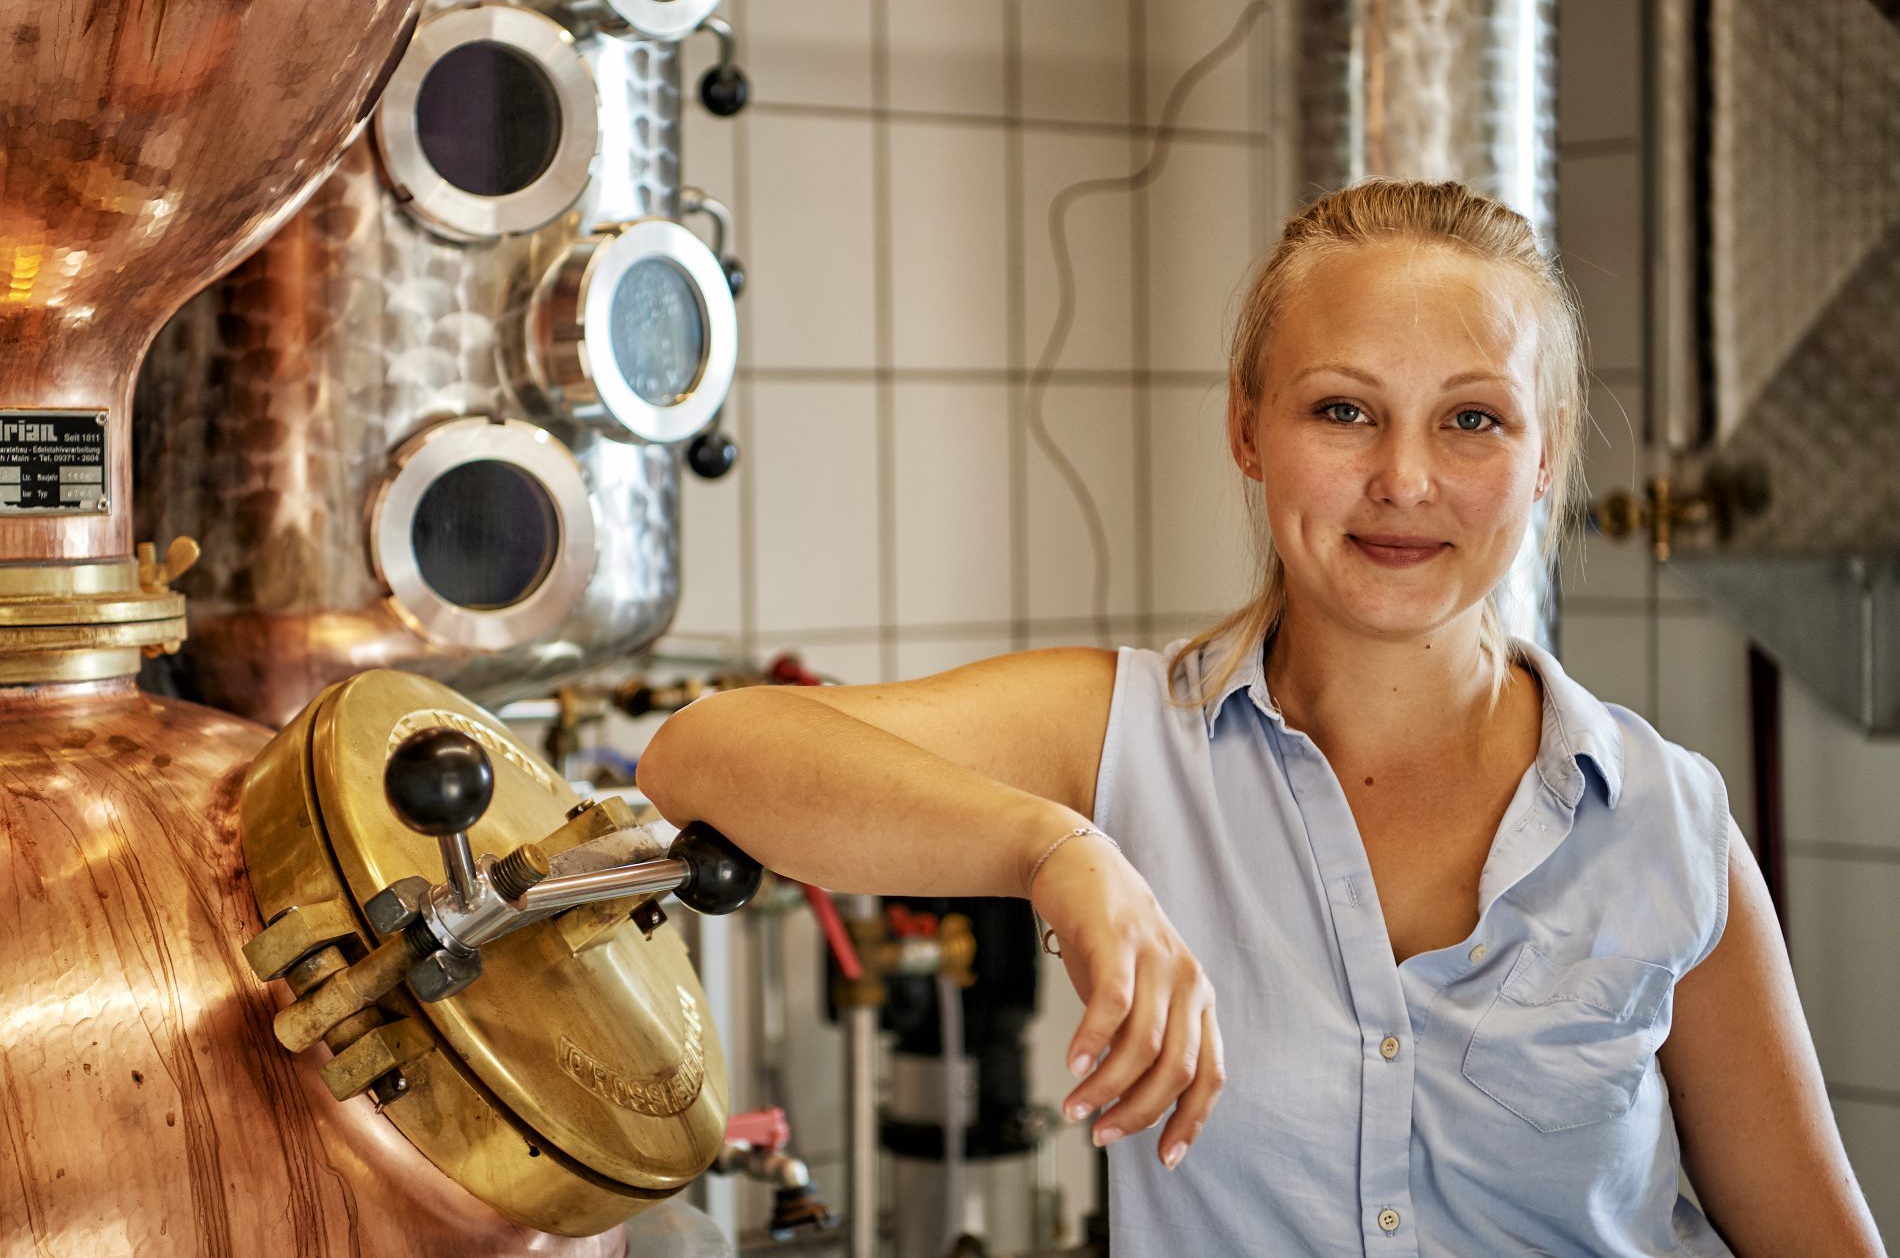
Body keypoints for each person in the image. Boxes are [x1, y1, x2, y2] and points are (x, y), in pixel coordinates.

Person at [638, 180, 1885, 1255]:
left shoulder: (1665, 825)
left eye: (1472, 419)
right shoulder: (1122, 736)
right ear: (1248, 428)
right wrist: (1053, 851)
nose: (1403, 479)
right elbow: (708, 751)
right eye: (1342, 409)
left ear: (1546, 452)